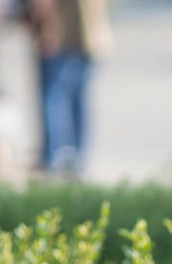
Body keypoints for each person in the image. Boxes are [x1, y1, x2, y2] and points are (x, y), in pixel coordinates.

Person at [24, 0, 112, 175]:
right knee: (76, 97)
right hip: (88, 30)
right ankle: (76, 159)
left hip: (61, 31)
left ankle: (56, 158)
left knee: (55, 98)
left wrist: (45, 24)